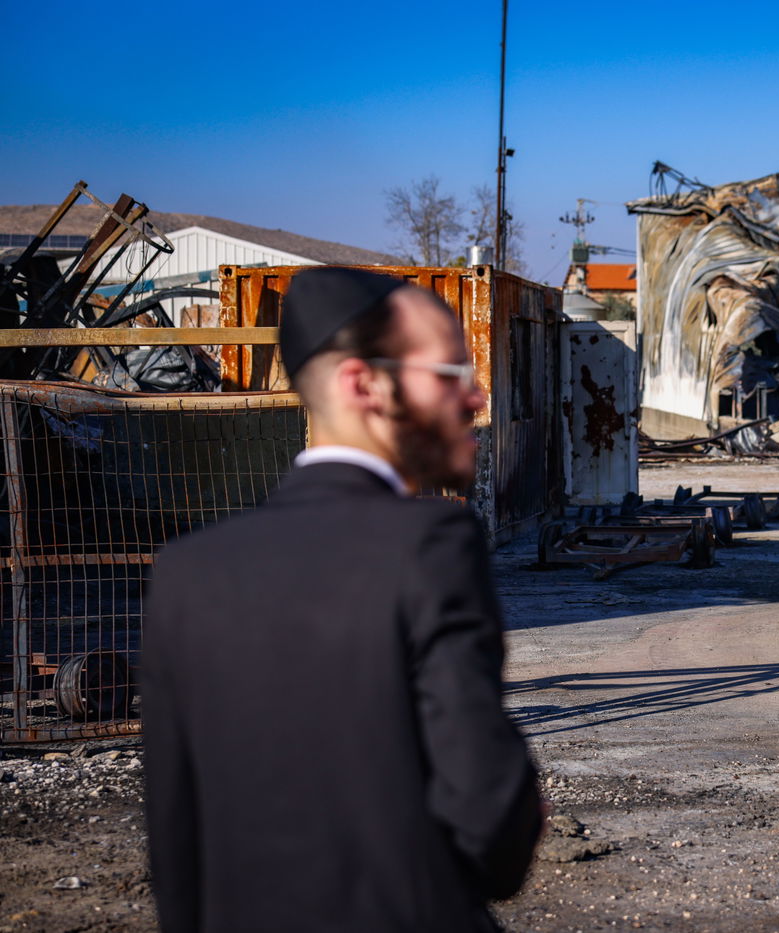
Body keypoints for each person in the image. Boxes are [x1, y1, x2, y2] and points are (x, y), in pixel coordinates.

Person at [142, 267, 541, 932]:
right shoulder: (431, 544)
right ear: (363, 384)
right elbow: (488, 812)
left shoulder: (187, 572)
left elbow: (174, 843)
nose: (475, 397)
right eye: (451, 373)